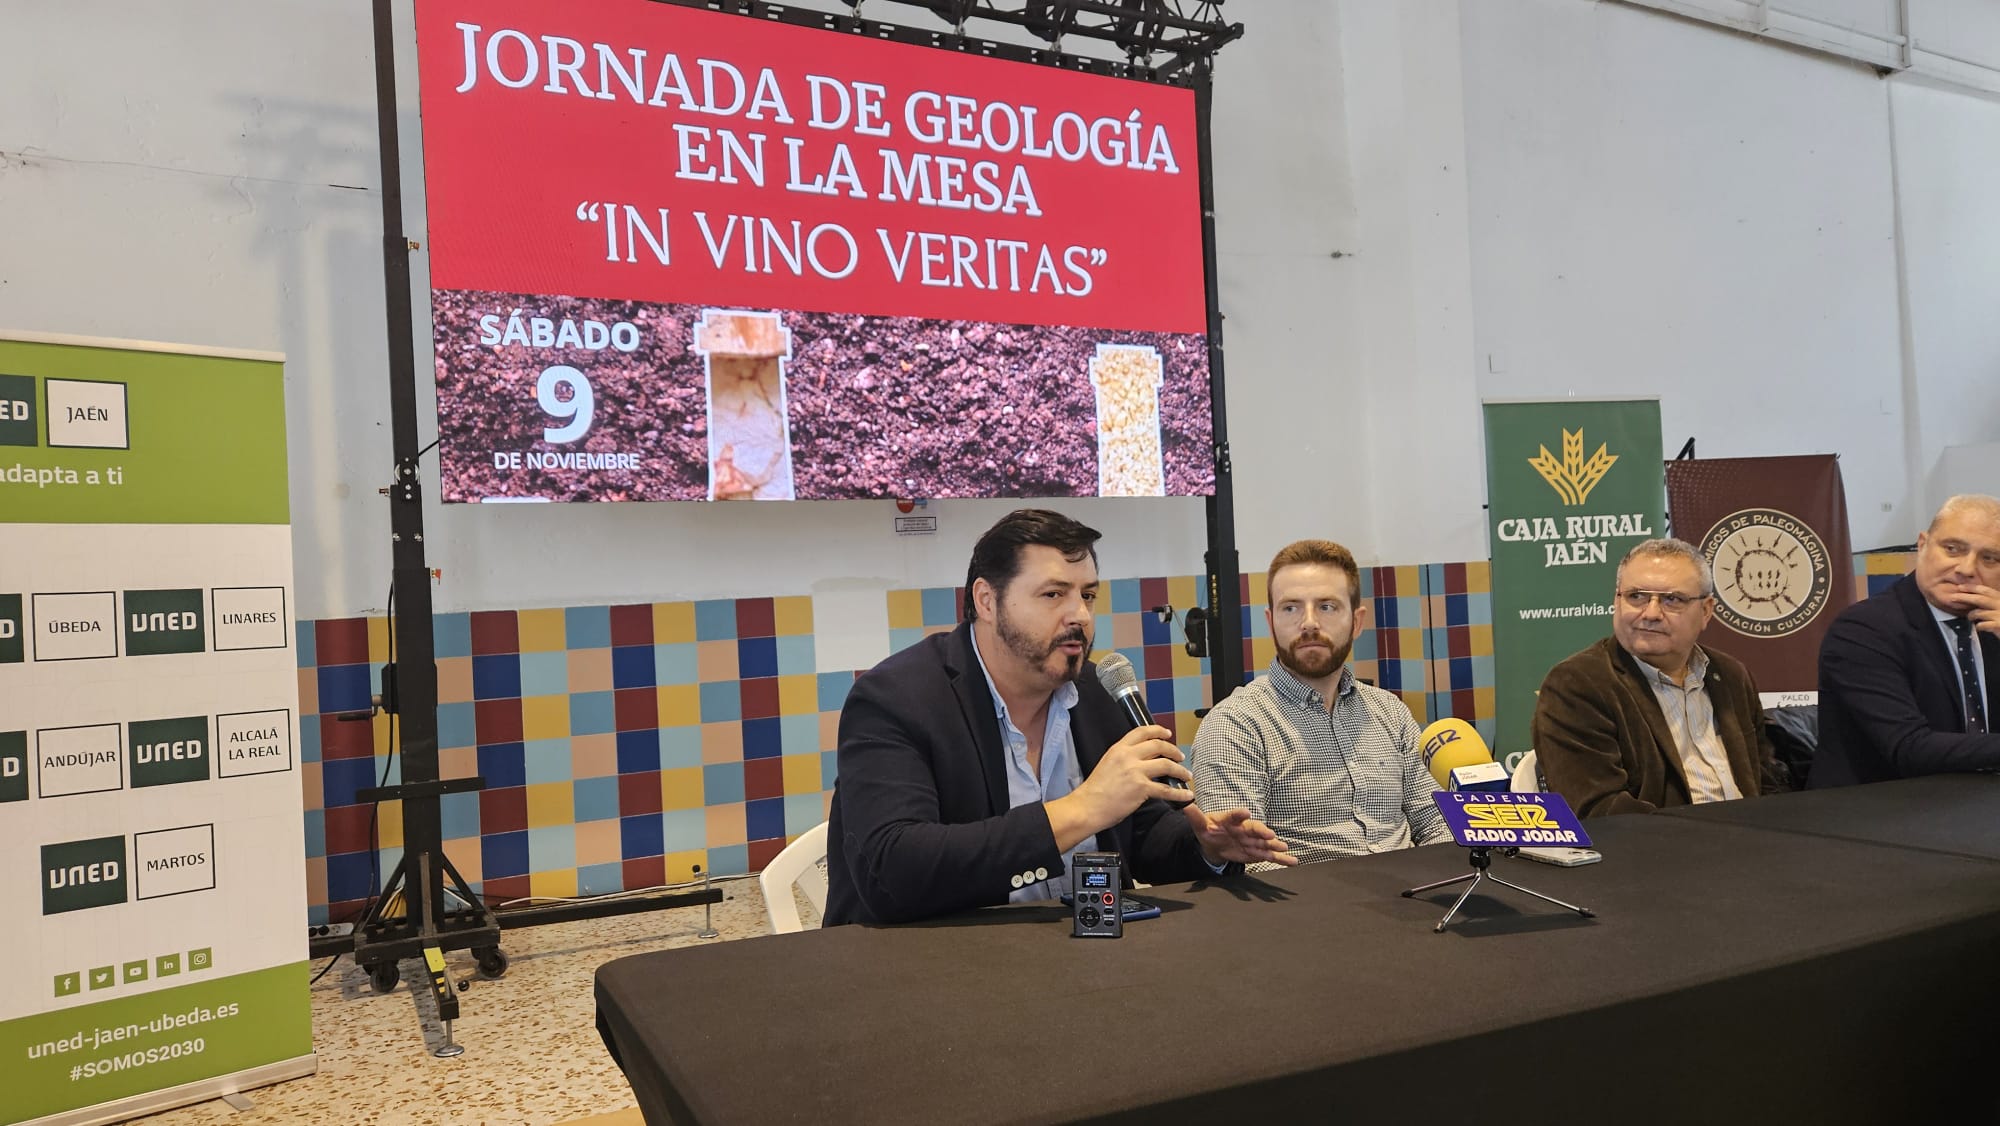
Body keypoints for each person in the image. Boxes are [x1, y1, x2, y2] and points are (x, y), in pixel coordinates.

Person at [823, 509, 1294, 927]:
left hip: (1080, 967)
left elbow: (1144, 835)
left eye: (1087, 595)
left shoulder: (1095, 692)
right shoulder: (895, 698)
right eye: (1053, 594)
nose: (1080, 616)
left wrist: (1205, 848)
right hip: (924, 976)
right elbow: (894, 872)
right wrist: (1083, 808)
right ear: (986, 601)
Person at [1189, 540, 1448, 865]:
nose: (1309, 622)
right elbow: (1247, 863)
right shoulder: (1234, 725)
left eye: (1327, 606)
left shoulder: (1390, 711)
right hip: (1305, 909)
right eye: (1291, 608)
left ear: (1356, 622)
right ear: (1271, 623)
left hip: (1415, 899)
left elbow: (1435, 821)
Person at [1533, 538, 1788, 816]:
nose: (1651, 613)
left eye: (1672, 599)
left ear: (1706, 611)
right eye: (1636, 596)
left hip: (1753, 842)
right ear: (1616, 601)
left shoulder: (1731, 675)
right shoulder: (1576, 685)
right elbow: (1599, 811)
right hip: (1656, 851)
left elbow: (1766, 781)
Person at [1812, 494, 2000, 787]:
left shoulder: (1993, 626)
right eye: (1952, 549)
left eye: (1989, 558)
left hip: (1973, 808)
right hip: (1875, 816)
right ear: (1922, 545)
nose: (1966, 569)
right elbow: (1909, 748)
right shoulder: (1862, 630)